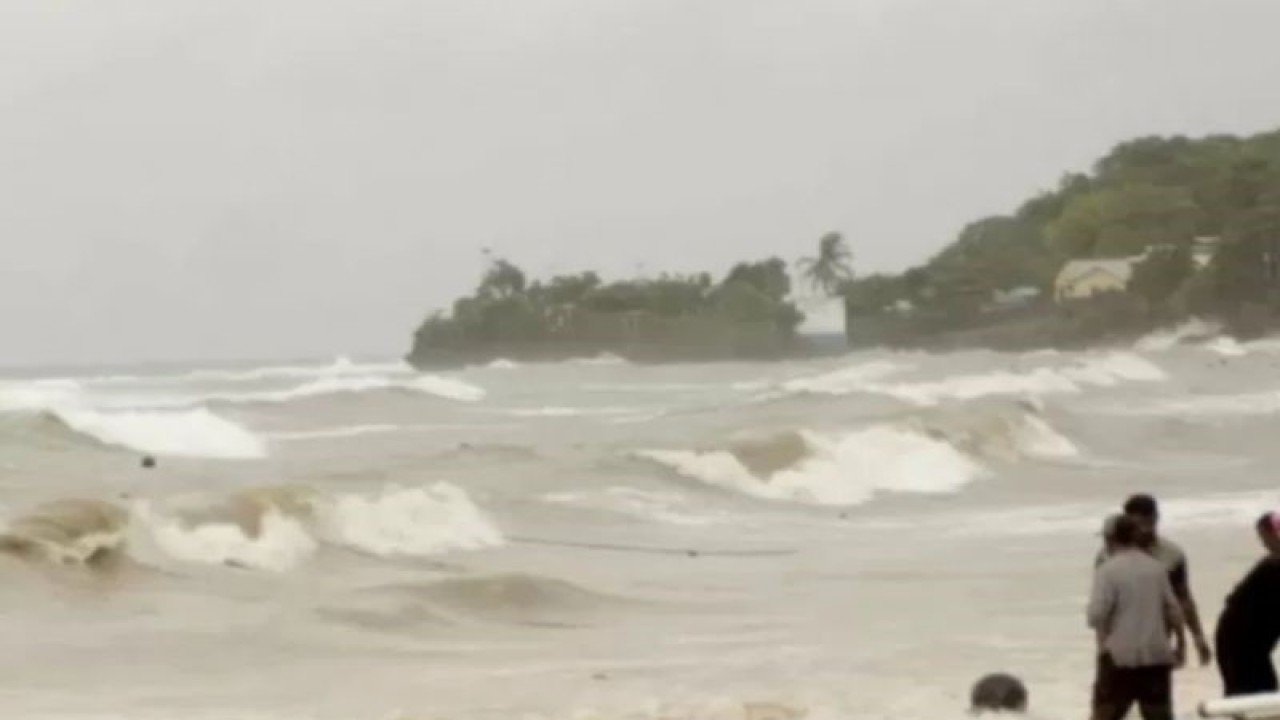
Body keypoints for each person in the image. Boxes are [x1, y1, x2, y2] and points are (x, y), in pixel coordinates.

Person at [1095, 494, 1212, 668]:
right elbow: (1102, 608)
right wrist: (1102, 647)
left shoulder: (1172, 555)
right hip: (1119, 645)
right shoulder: (1106, 557)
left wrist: (1196, 637)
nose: (1143, 531)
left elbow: (1183, 599)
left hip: (1157, 644)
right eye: (1137, 525)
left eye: (1148, 524)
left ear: (1156, 518)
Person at [1088, 513, 1185, 720]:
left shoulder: (1107, 571)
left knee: (1106, 714)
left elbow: (1096, 616)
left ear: (1110, 539)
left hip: (1119, 658)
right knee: (1159, 715)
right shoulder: (1156, 568)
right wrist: (1181, 646)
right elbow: (1174, 610)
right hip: (1157, 657)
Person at [1214, 512, 1280, 697]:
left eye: (1264, 537)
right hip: (1239, 641)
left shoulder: (1271, 564)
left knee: (1261, 691)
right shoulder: (1271, 565)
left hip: (1249, 642)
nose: (1264, 544)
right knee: (1251, 693)